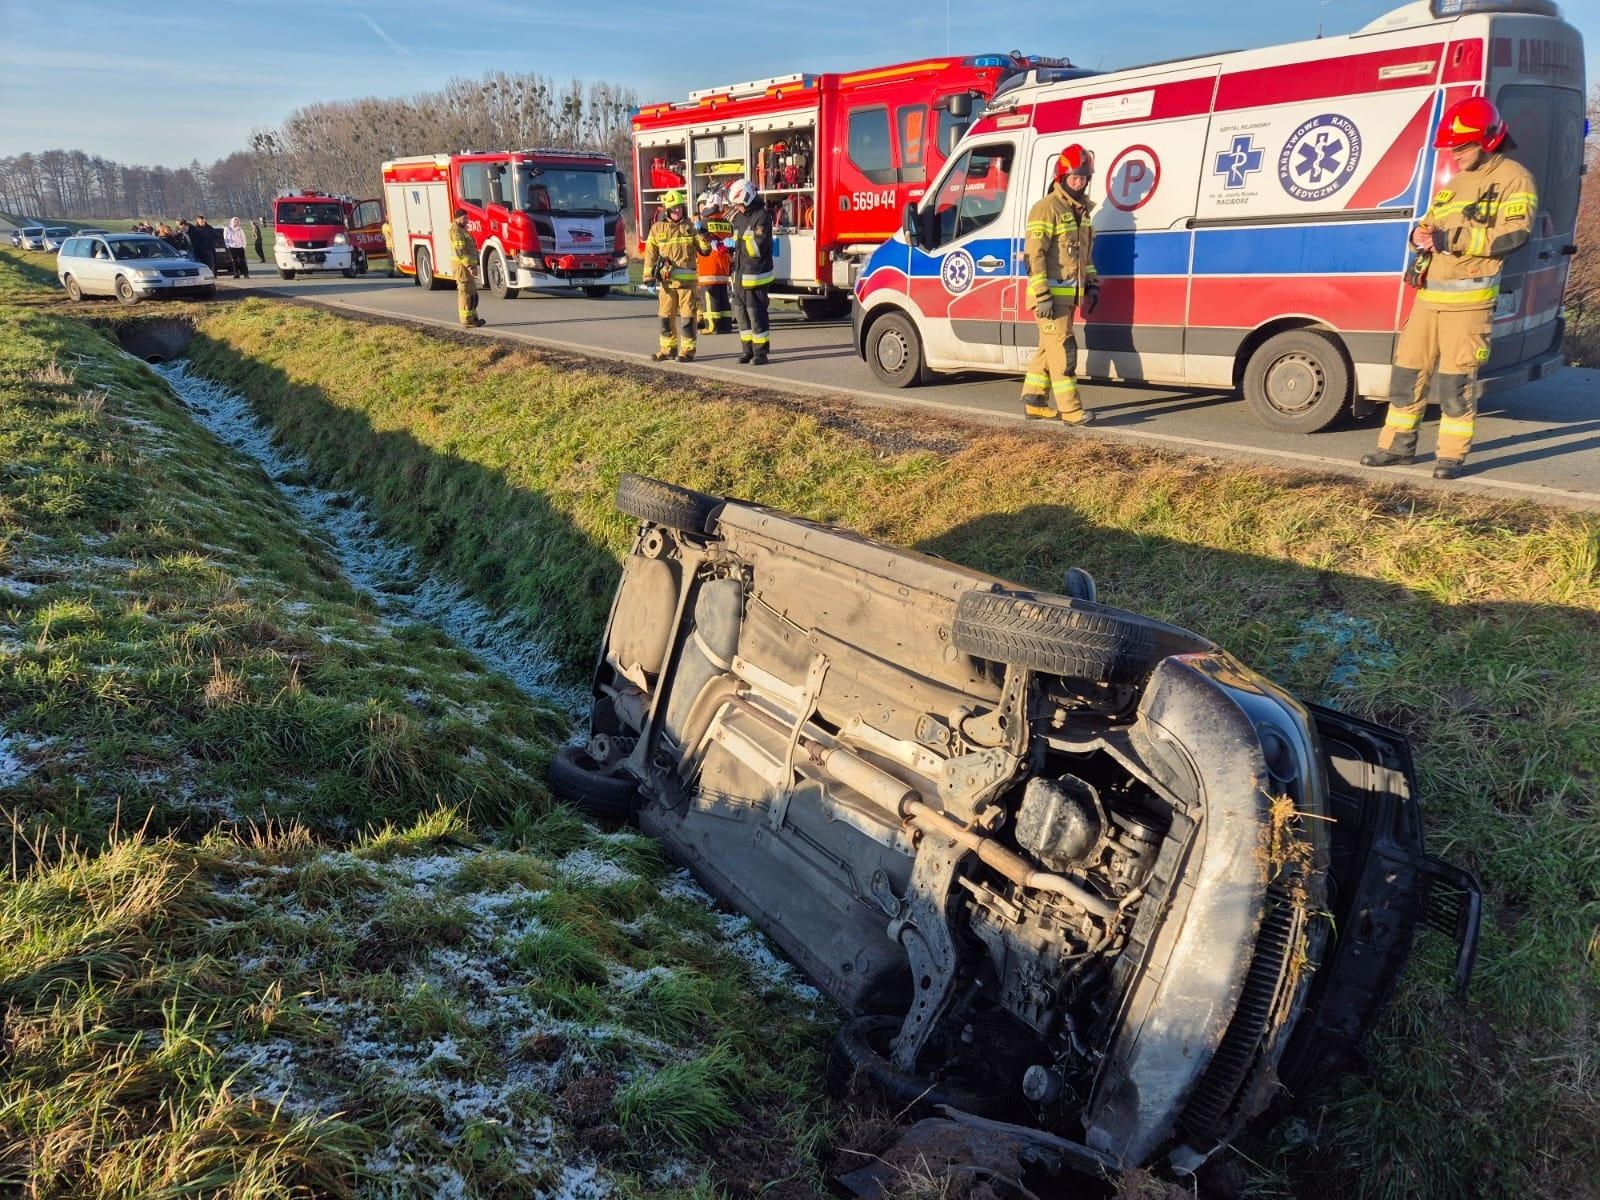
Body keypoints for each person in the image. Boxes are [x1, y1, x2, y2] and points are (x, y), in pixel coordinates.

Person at [1361, 97, 1536, 480]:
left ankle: (1451, 456)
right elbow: (1428, 226)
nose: (1454, 154)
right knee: (1407, 375)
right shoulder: (1454, 183)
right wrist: (1418, 235)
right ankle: (1396, 447)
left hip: (1469, 302)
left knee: (1456, 384)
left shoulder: (1514, 178)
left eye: (1461, 147)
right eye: (1451, 148)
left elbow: (1516, 235)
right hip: (1428, 299)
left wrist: (1451, 238)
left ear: (1488, 140)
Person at [1020, 145, 1099, 425]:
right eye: (1075, 177)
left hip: (1067, 298)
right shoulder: (1046, 209)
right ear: (1062, 177)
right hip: (1048, 298)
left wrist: (1092, 283)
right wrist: (1043, 295)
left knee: (1048, 349)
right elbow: (1035, 255)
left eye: (1084, 177)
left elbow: (1083, 256)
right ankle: (1071, 410)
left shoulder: (1083, 212)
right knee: (1064, 351)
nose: (1080, 182)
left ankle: (1034, 399)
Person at [641, 189, 706, 362]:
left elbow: (705, 250)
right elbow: (650, 254)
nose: (678, 211)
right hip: (667, 285)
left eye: (680, 208)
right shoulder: (657, 229)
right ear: (667, 210)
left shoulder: (691, 227)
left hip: (687, 286)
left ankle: (687, 351)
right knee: (665, 319)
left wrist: (703, 233)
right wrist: (648, 277)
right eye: (674, 209)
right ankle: (667, 350)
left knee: (687, 320)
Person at [727, 178, 774, 365]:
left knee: (756, 314)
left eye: (738, 204)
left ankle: (761, 353)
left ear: (746, 198)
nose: (736, 207)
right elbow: (737, 243)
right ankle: (747, 350)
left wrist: (737, 242)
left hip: (756, 276)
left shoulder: (762, 217)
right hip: (739, 274)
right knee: (741, 314)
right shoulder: (739, 217)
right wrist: (726, 245)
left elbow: (758, 247)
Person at [695, 190, 734, 336]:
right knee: (723, 298)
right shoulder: (728, 225)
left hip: (708, 268)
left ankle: (711, 326)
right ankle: (725, 325)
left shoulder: (703, 224)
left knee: (710, 299)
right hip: (723, 268)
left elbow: (700, 245)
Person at [449, 208, 485, 327]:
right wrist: (470, 266)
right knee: (465, 292)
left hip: (466, 266)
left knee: (472, 292)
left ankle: (473, 317)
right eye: (464, 218)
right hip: (462, 267)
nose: (467, 220)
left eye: (467, 218)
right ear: (457, 218)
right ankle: (466, 320)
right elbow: (460, 251)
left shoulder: (462, 229)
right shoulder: (456, 231)